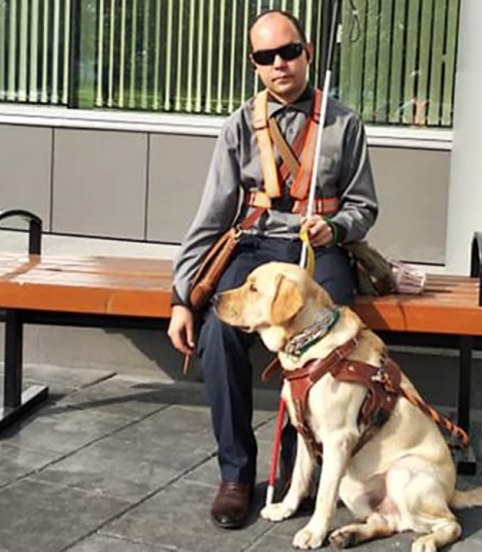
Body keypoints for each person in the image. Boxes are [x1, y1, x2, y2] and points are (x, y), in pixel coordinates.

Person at [166, 9, 378, 530]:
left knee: (326, 337)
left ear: (308, 52)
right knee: (218, 333)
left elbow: (364, 205)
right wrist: (181, 297)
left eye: (289, 51)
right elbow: (212, 214)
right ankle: (236, 474)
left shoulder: (342, 123)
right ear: (254, 64)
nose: (280, 63)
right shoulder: (239, 125)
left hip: (316, 247)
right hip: (255, 245)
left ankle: (293, 474)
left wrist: (337, 227)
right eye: (267, 56)